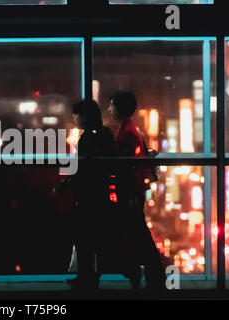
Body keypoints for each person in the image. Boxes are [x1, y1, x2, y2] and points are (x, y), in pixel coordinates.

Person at [54, 99, 117, 289]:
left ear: (83, 116)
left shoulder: (88, 138)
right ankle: (89, 275)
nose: (73, 117)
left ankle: (86, 276)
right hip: (99, 193)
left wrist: (64, 186)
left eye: (76, 114)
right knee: (91, 238)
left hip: (88, 195)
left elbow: (81, 169)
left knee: (83, 237)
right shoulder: (104, 134)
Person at [107, 90, 166, 290]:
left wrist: (131, 193)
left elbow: (127, 167)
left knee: (138, 235)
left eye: (112, 105)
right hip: (134, 191)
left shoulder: (128, 133)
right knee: (137, 234)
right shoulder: (131, 129)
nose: (109, 109)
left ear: (120, 108)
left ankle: (152, 275)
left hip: (130, 192)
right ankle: (148, 275)